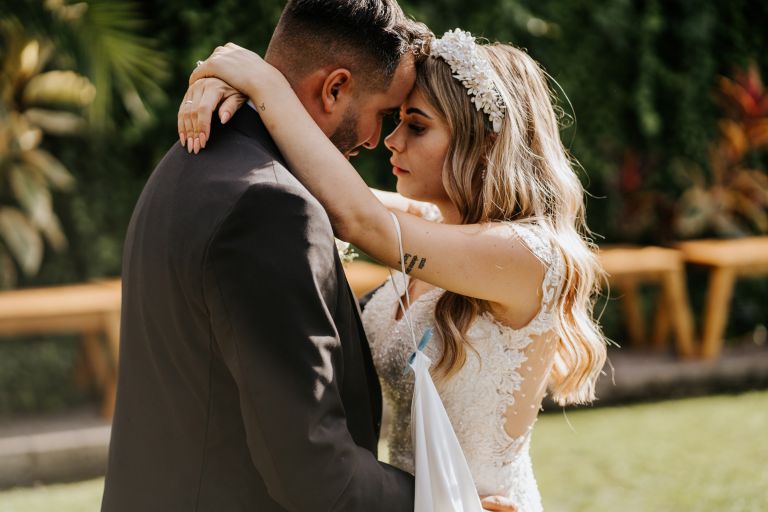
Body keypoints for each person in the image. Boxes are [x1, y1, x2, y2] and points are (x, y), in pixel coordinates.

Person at [181, 28, 610, 512]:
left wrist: (265, 84)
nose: (391, 140)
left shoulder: (529, 254)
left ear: (485, 144)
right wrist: (225, 86)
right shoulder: (430, 225)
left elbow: (358, 218)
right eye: (397, 120)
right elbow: (310, 188)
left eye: (416, 126)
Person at [101, 1, 438, 511]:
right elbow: (314, 474)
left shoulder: (191, 161)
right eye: (384, 114)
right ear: (335, 88)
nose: (377, 140)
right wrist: (446, 501)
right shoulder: (271, 206)